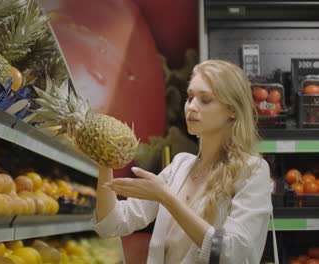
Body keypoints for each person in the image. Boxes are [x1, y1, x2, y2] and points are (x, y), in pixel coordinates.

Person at [94, 60, 273, 264]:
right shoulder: (180, 166)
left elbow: (230, 254)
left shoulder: (252, 171)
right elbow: (112, 224)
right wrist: (103, 160)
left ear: (232, 110)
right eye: (190, 97)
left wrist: (166, 198)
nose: (191, 107)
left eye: (205, 100)